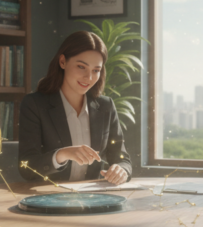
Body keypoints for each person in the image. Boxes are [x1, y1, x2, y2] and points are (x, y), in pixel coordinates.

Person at [18, 31, 132, 184]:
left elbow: (122, 158)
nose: (89, 78)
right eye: (81, 66)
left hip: (93, 198)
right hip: (48, 199)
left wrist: (121, 170)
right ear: (63, 62)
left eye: (96, 70)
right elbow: (27, 168)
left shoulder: (106, 106)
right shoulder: (34, 105)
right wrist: (62, 154)